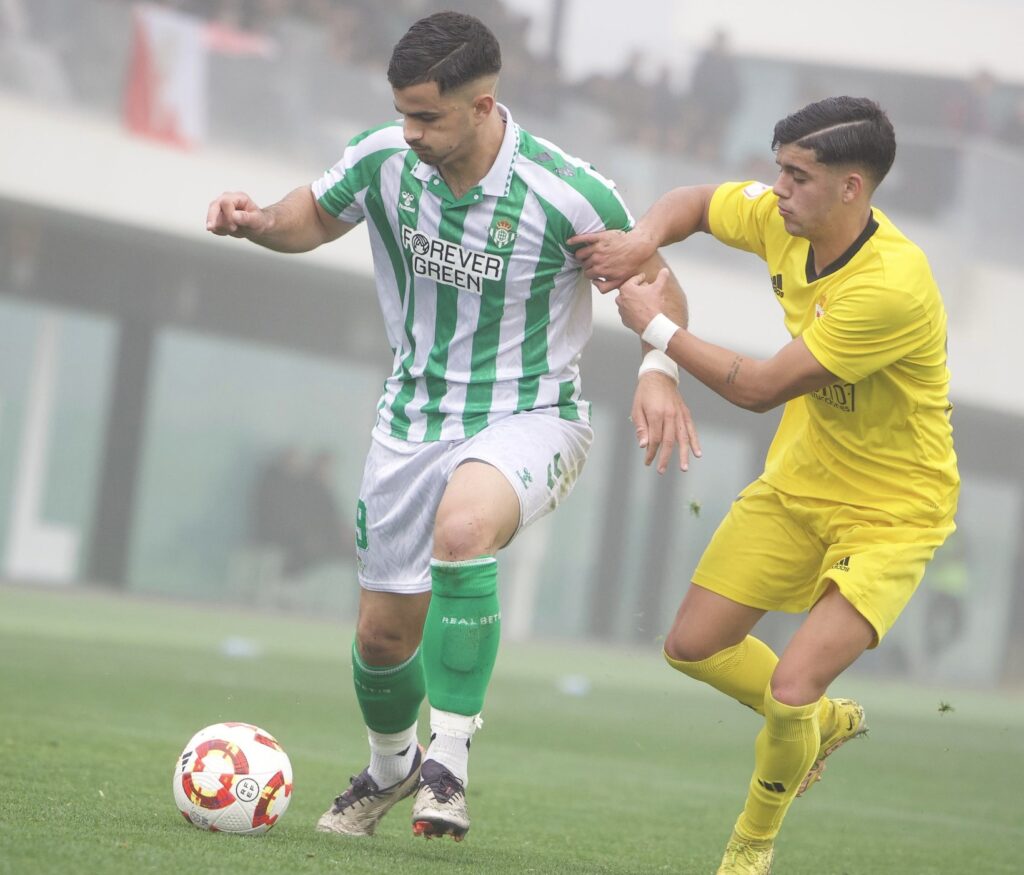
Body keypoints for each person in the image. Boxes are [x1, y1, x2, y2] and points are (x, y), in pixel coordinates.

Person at [206, 10, 697, 842]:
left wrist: (658, 366)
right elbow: (313, 214)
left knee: (465, 528)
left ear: (483, 105)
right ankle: (390, 767)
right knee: (381, 634)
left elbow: (654, 280)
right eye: (403, 112)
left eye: (428, 116)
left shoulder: (566, 192)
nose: (411, 131)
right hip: (412, 416)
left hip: (532, 414)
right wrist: (259, 223)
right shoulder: (384, 160)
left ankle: (449, 765)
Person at [571, 96, 959, 874]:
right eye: (777, 168)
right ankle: (827, 722)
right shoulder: (786, 217)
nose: (775, 188)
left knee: (788, 687)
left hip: (893, 510)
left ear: (852, 188)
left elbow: (758, 387)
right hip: (800, 481)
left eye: (797, 175)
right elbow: (690, 203)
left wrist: (655, 328)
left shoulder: (890, 286)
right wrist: (640, 242)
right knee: (690, 644)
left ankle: (751, 844)